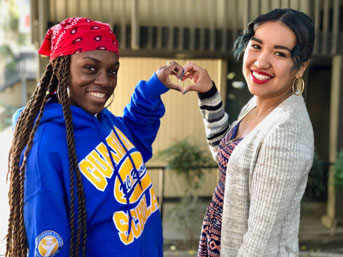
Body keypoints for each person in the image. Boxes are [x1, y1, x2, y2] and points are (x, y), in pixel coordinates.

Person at [6, 17, 185, 257]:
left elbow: (135, 140)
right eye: (90, 68)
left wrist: (153, 88)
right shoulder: (44, 146)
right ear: (62, 68)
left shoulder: (101, 119)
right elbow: (49, 243)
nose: (105, 81)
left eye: (112, 71)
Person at [181, 8, 315, 257]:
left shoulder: (286, 132)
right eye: (256, 46)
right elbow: (227, 159)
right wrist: (209, 94)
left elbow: (259, 242)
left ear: (300, 67)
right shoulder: (257, 103)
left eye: (279, 53)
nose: (261, 61)